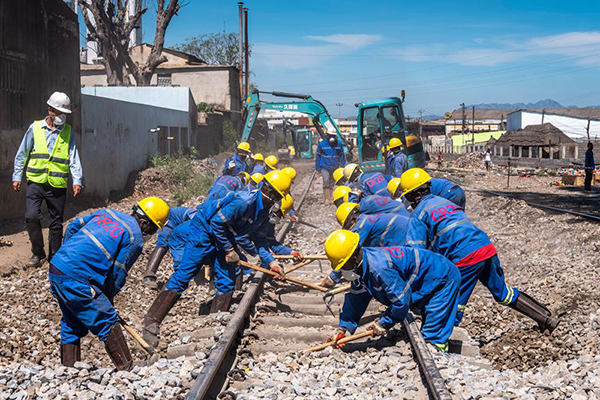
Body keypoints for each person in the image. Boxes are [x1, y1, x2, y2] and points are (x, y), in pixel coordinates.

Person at [142, 171, 292, 348]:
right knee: (184, 274)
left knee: (227, 280)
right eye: (271, 193)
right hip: (204, 230)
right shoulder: (243, 201)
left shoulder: (263, 214)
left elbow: (259, 240)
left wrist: (272, 263)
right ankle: (151, 322)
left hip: (224, 236)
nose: (272, 198)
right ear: (266, 188)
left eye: (275, 197)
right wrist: (229, 249)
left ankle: (214, 324)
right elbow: (216, 223)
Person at [401, 168, 559, 332]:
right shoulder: (445, 203)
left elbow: (416, 257)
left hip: (465, 257)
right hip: (485, 247)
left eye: (406, 196)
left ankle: (439, 343)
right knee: (503, 293)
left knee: (451, 300)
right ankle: (545, 318)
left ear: (414, 195)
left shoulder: (418, 215)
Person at [48, 197, 169, 370]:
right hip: (78, 278)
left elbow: (73, 226)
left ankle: (68, 370)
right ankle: (127, 368)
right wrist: (107, 297)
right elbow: (117, 274)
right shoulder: (134, 237)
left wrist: (68, 254)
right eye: (153, 229)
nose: (152, 233)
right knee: (107, 320)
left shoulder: (107, 213)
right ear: (144, 223)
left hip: (57, 267)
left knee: (72, 320)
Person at [324, 230, 460, 352]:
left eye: (343, 266)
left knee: (432, 335)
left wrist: (384, 322)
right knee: (427, 318)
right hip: (426, 278)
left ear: (353, 258)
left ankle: (439, 353)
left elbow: (401, 301)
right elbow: (356, 299)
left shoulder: (380, 269)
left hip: (442, 276)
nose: (342, 271)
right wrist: (344, 328)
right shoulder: (361, 266)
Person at [12, 92, 83, 267]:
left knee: (56, 222)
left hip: (57, 184)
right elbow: (22, 153)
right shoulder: (35, 128)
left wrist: (77, 180)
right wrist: (17, 175)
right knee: (31, 217)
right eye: (58, 112)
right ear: (49, 110)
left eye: (64, 113)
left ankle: (55, 257)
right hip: (36, 181)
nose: (61, 116)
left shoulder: (68, 132)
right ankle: (38, 252)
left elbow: (73, 156)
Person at [322, 203, 410, 288]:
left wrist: (332, 278)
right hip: (406, 229)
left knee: (403, 265)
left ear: (352, 220)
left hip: (405, 236)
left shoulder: (361, 227)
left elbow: (349, 253)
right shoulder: (365, 219)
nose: (350, 229)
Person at [142, 206, 198, 288]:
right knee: (163, 243)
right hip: (170, 219)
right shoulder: (197, 216)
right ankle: (149, 276)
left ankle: (179, 278)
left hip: (181, 226)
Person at [388, 177, 466, 210]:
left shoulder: (412, 189)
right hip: (457, 190)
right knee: (458, 218)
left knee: (445, 221)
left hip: (449, 193)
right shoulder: (417, 182)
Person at [315, 133, 346, 203]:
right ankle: (326, 198)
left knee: (332, 183)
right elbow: (318, 156)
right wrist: (317, 168)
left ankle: (331, 198)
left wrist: (343, 166)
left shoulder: (338, 144)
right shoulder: (322, 144)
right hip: (325, 166)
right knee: (326, 181)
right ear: (327, 135)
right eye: (330, 136)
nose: (332, 137)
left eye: (333, 136)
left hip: (335, 166)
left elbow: (342, 155)